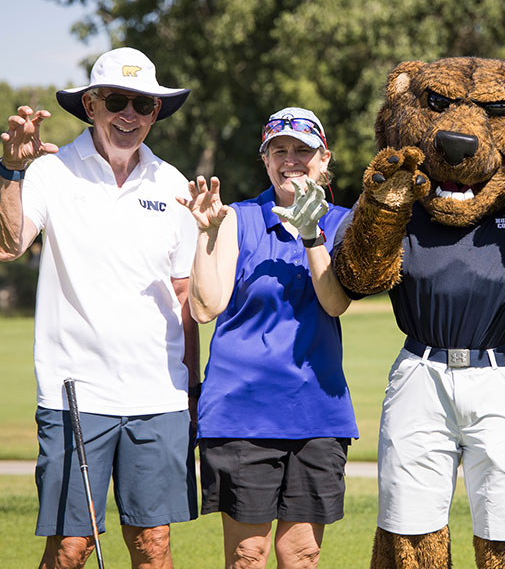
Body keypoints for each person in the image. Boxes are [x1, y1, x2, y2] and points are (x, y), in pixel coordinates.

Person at [0, 47, 200, 568]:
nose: (129, 114)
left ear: (156, 112)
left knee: (153, 548)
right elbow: (7, 244)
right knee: (71, 548)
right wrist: (10, 173)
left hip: (159, 394)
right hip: (75, 392)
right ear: (91, 105)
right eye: (117, 100)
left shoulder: (174, 185)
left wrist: (193, 390)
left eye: (143, 104)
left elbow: (182, 295)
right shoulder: (51, 173)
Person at [178, 106, 358, 569]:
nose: (291, 159)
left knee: (301, 554)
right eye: (280, 150)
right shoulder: (236, 218)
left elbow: (335, 302)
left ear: (324, 159)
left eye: (303, 150)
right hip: (242, 413)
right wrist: (206, 235)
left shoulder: (342, 223)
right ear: (265, 159)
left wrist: (310, 234)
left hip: (315, 412)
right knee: (247, 555)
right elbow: (204, 307)